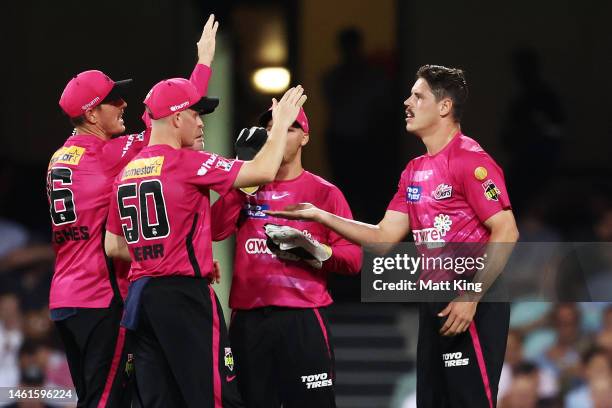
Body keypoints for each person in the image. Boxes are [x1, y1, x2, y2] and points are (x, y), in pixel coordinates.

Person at [269, 65, 519, 408]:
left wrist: (471, 297)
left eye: (418, 96)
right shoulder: (414, 171)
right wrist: (321, 215)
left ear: (444, 107)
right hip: (434, 297)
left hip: (471, 293)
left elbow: (507, 229)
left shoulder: (470, 160)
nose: (407, 102)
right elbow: (384, 237)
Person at [46, 15, 219, 407]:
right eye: (112, 100)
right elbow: (164, 124)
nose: (122, 103)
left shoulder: (59, 157)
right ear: (91, 115)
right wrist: (203, 65)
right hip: (101, 298)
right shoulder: (105, 156)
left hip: (65, 300)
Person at [104, 79, 306, 406]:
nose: (200, 122)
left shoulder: (126, 172)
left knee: (161, 400)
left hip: (141, 300)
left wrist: (167, 255)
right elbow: (264, 170)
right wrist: (281, 123)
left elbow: (113, 246)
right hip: (184, 298)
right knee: (216, 398)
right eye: (195, 114)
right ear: (175, 118)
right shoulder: (185, 162)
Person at [210, 106, 362, 407]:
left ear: (305, 138)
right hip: (249, 318)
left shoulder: (325, 193)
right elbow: (214, 230)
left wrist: (313, 252)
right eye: (270, 128)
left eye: (288, 127)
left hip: (303, 316)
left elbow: (354, 259)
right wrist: (244, 179)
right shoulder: (247, 187)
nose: (276, 133)